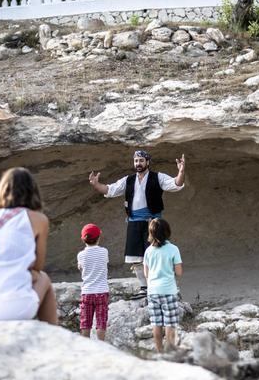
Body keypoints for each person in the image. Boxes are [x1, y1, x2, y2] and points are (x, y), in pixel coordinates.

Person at [0, 167, 58, 324]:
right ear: (33, 191)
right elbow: (38, 266)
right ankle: (55, 339)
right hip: (13, 308)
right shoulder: (39, 219)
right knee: (44, 278)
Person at [89, 150, 186, 299]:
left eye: (141, 160)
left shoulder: (157, 177)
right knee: (136, 258)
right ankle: (143, 288)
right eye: (136, 161)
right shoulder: (128, 180)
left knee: (155, 254)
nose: (138, 164)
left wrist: (181, 171)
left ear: (147, 162)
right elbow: (110, 189)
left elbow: (176, 184)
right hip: (134, 222)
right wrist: (96, 184)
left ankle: (156, 286)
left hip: (152, 223)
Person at [143, 218, 183, 354]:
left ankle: (159, 351)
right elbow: (179, 272)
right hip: (168, 291)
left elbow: (146, 273)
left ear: (151, 233)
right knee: (170, 323)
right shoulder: (173, 249)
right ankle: (170, 351)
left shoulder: (148, 251)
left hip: (153, 291)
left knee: (156, 323)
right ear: (168, 232)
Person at [77, 223, 109, 341]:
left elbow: (81, 268)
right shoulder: (104, 251)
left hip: (87, 292)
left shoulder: (81, 255)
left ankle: (86, 348)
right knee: (101, 321)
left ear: (82, 238)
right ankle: (101, 345)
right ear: (99, 237)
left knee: (85, 322)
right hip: (102, 291)